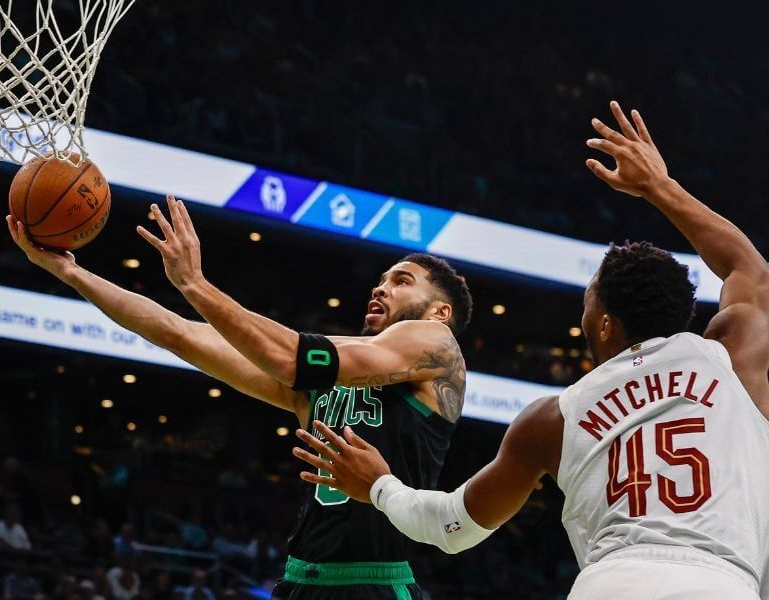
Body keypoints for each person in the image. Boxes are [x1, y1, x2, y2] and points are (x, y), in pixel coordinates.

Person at [293, 101, 769, 600]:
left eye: (586, 303)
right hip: (719, 585)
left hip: (607, 584)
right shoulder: (729, 356)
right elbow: (749, 271)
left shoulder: (553, 417)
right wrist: (657, 186)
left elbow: (453, 527)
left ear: (604, 323)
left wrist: (380, 486)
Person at [7, 198, 473, 599]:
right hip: (299, 579)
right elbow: (179, 333)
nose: (381, 286)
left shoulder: (437, 345)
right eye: (382, 279)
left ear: (440, 311)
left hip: (373, 582)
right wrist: (70, 272)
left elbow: (293, 356)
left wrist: (195, 283)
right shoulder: (331, 379)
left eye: (401, 281)